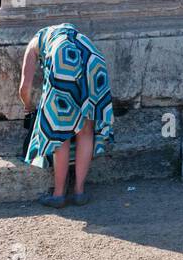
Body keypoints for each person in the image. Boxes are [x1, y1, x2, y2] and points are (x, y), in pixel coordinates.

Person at [18, 23, 114, 208]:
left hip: (63, 57)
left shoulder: (34, 43)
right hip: (92, 57)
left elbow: (25, 88)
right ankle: (79, 192)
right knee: (85, 130)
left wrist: (29, 107)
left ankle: (59, 194)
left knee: (60, 131)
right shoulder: (71, 33)